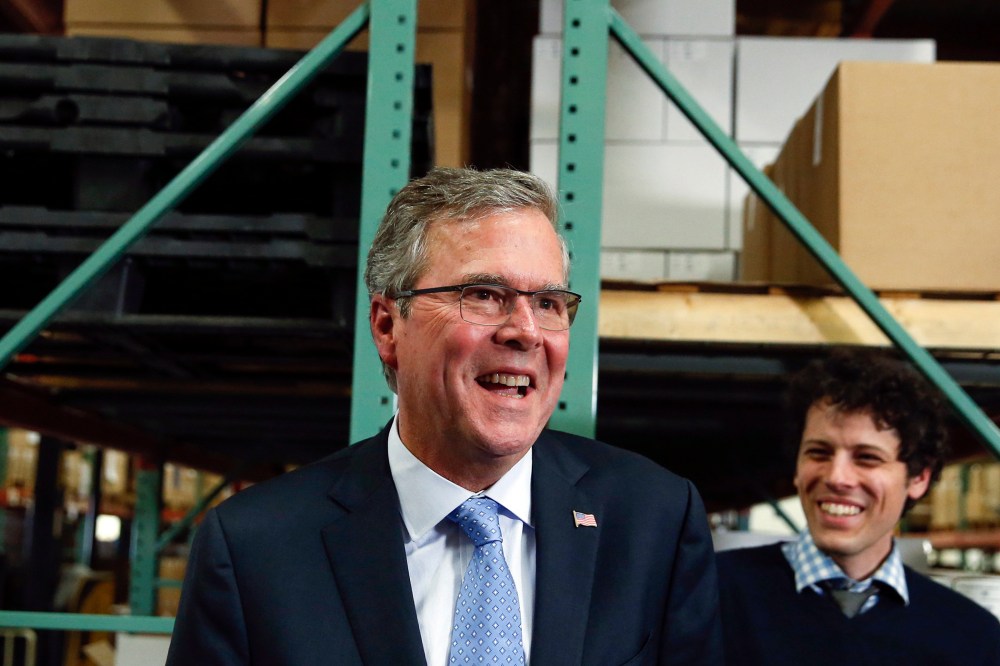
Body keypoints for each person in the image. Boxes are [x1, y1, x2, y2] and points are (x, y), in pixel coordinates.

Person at [167, 167, 723, 665]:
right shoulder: (253, 550)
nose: (525, 331)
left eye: (549, 303)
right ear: (388, 326)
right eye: (484, 294)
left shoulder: (656, 522)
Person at [717, 349, 1000, 665]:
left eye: (867, 457)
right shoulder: (711, 593)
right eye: (819, 453)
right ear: (797, 467)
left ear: (919, 477)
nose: (837, 477)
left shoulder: (973, 639)